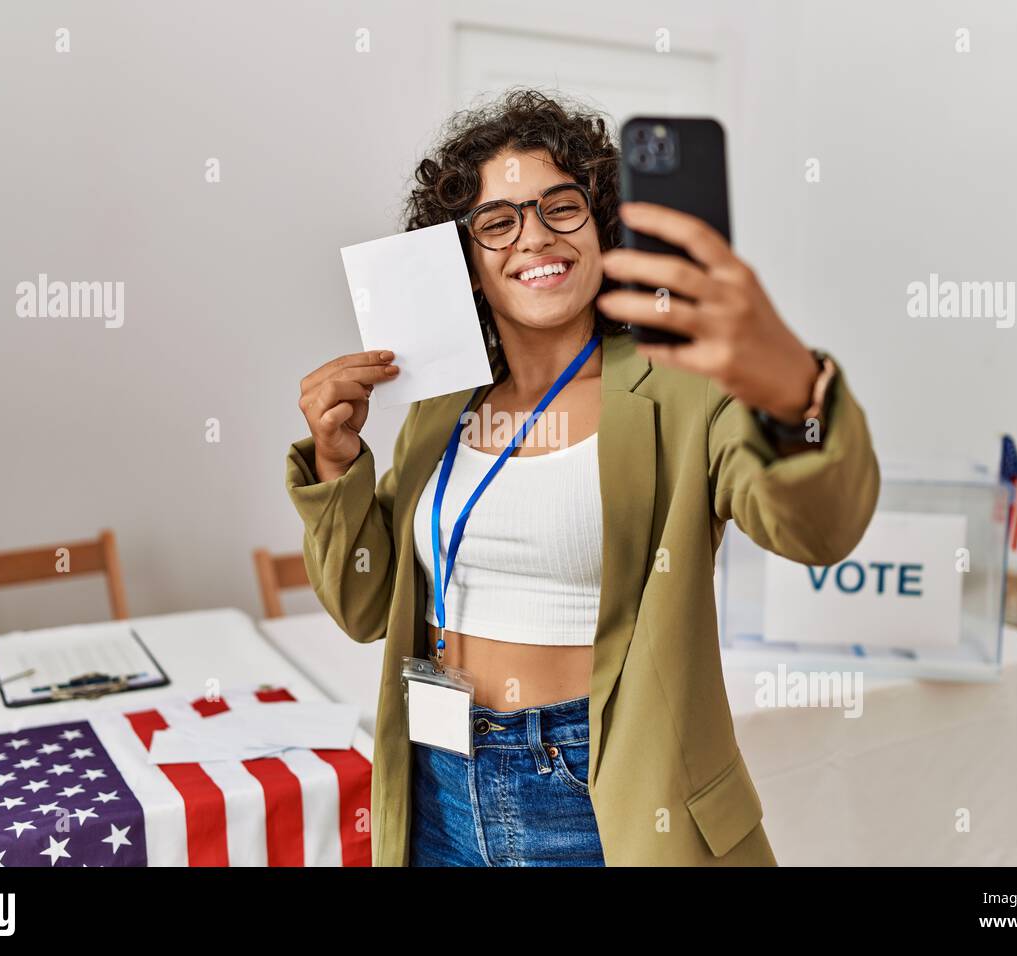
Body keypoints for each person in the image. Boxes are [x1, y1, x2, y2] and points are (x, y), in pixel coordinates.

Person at [286, 89, 880, 866]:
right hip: (438, 777)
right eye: (499, 221)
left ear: (602, 225)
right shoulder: (442, 408)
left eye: (560, 207)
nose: (534, 236)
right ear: (466, 263)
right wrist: (336, 463)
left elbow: (818, 531)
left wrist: (796, 395)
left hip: (599, 786)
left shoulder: (684, 385)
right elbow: (368, 608)